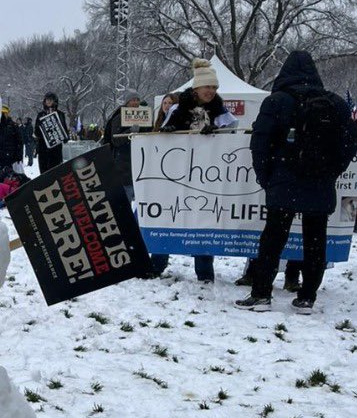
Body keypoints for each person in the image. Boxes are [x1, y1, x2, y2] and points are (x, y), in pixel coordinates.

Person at [236, 50, 357, 312]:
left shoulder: (277, 101)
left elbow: (260, 143)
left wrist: (266, 177)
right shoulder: (336, 103)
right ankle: (307, 297)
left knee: (273, 239)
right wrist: (331, 172)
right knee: (315, 241)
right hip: (319, 182)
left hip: (283, 179)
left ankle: (261, 294)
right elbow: (349, 144)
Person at [152, 58, 236, 282]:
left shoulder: (219, 109)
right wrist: (170, 131)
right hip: (177, 174)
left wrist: (217, 132)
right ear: (197, 87)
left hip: (207, 175)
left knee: (204, 221)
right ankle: (157, 264)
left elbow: (232, 134)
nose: (211, 91)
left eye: (214, 87)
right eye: (208, 86)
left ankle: (205, 272)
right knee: (169, 216)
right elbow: (160, 139)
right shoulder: (179, 108)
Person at [102, 93, 143, 203]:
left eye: (137, 100)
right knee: (126, 196)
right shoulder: (119, 117)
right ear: (127, 103)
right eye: (132, 100)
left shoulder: (144, 117)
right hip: (124, 163)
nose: (135, 103)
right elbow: (115, 140)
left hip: (139, 161)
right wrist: (131, 131)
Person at [34, 92, 68, 174]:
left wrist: (65, 137)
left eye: (50, 100)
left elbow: (64, 129)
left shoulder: (60, 114)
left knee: (56, 172)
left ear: (55, 101)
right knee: (44, 172)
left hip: (56, 148)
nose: (48, 102)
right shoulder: (40, 115)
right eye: (47, 100)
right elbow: (36, 131)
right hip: (43, 148)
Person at [0, 105, 24, 172]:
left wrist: (19, 155)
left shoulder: (13, 126)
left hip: (11, 157)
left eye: (4, 113)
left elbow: (19, 142)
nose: (2, 115)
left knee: (11, 177)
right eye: (1, 113)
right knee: (0, 176)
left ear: (7, 113)